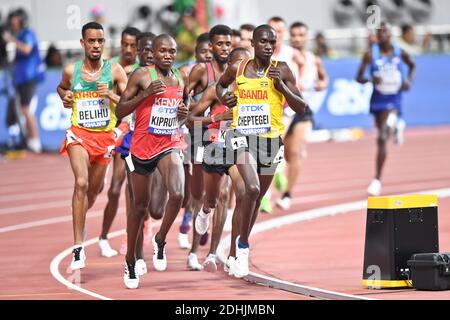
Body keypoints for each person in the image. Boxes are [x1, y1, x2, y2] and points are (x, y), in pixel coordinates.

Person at [216, 24, 307, 278]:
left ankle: (238, 244)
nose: (268, 46)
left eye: (272, 42)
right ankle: (243, 248)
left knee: (254, 201)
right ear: (253, 44)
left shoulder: (283, 70)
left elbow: (300, 107)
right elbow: (220, 86)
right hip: (242, 136)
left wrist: (283, 88)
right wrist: (225, 98)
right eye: (263, 42)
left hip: (271, 141)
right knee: (252, 188)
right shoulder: (238, 68)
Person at [116, 34, 189, 289]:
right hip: (141, 148)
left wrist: (183, 114)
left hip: (168, 144)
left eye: (173, 51)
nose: (168, 55)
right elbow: (120, 110)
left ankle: (160, 240)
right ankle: (130, 261)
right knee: (139, 206)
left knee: (178, 194)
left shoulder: (181, 77)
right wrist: (145, 94)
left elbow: (184, 109)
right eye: (163, 51)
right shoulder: (141, 75)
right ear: (154, 53)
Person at [57, 22, 128, 271]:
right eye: (91, 41)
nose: (96, 45)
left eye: (100, 41)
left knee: (93, 193)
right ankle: (78, 249)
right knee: (81, 183)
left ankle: (81, 218)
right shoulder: (71, 70)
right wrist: (64, 96)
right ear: (82, 43)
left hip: (105, 139)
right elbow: (62, 87)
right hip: (79, 135)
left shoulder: (116, 71)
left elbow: (129, 104)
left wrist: (110, 95)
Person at [188, 47, 251, 273]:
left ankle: (235, 252)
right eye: (240, 64)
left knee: (242, 192)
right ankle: (205, 211)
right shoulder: (216, 91)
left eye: (248, 63)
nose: (245, 67)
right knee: (213, 199)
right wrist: (217, 116)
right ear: (231, 67)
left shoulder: (253, 91)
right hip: (214, 144)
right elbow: (191, 120)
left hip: (238, 145)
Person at [185, 25, 233, 271]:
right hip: (200, 136)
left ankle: (213, 252)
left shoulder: (237, 71)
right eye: (220, 44)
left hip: (227, 138)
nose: (225, 49)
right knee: (199, 195)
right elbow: (184, 105)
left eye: (228, 44)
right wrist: (202, 112)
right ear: (211, 48)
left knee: (225, 194)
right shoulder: (202, 71)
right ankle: (194, 249)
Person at [356, 22, 416, 196]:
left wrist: (409, 81)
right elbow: (358, 77)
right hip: (378, 100)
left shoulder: (399, 52)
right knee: (380, 137)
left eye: (385, 32)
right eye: (379, 32)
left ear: (390, 34)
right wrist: (370, 79)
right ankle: (397, 125)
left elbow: (412, 66)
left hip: (394, 98)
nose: (382, 35)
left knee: (382, 138)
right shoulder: (370, 54)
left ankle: (377, 180)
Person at [97, 27, 141, 258]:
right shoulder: (109, 66)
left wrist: (111, 95)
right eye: (125, 44)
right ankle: (101, 235)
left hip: (130, 133)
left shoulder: (141, 71)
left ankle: (114, 236)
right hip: (107, 132)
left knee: (120, 188)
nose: (128, 49)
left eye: (133, 45)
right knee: (101, 189)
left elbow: (131, 102)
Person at [276, 22, 329, 211]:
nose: (298, 38)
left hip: (303, 111)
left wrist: (322, 84)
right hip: (283, 109)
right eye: (295, 35)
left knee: (295, 152)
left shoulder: (314, 59)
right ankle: (278, 172)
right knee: (280, 151)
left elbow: (324, 78)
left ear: (307, 37)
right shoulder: (283, 55)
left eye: (301, 35)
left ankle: (287, 194)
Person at [177, 32, 213, 251]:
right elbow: (178, 100)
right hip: (189, 131)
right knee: (189, 183)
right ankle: (187, 215)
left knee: (209, 182)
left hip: (210, 132)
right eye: (203, 52)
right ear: (195, 52)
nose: (207, 56)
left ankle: (199, 218)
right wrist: (192, 109)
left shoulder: (222, 72)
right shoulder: (186, 71)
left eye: (211, 51)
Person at [3, 9, 45, 153]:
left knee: (26, 109)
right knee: (23, 109)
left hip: (29, 77)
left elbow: (27, 49)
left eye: (15, 20)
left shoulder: (27, 33)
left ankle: (35, 141)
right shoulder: (20, 34)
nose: (13, 24)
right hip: (21, 78)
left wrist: (11, 39)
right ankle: (29, 140)